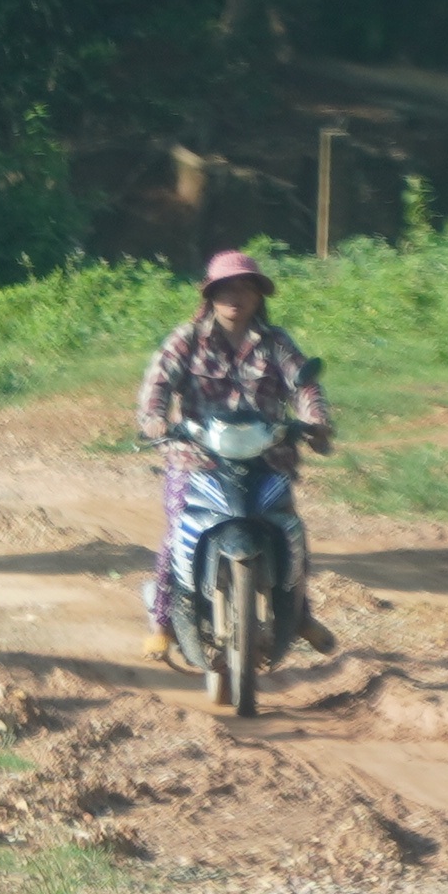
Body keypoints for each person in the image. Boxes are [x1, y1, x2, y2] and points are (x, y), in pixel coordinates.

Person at [135, 249, 336, 665]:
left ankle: (299, 614)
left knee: (290, 532)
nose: (236, 297)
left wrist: (315, 420)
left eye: (245, 287)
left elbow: (304, 387)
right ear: (210, 295)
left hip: (267, 459)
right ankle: (161, 622)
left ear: (259, 296)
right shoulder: (186, 340)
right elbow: (157, 383)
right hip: (196, 460)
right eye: (226, 288)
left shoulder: (277, 343)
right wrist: (154, 420)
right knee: (177, 533)